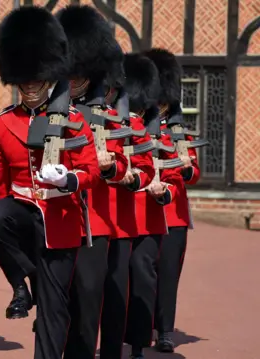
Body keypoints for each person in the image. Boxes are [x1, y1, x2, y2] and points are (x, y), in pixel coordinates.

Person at [0, 6, 100, 359]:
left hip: (59, 219)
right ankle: (23, 282)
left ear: (48, 78)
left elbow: (91, 171)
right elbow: (0, 183)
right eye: (25, 81)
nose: (30, 88)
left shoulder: (74, 121)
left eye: (37, 80)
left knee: (54, 308)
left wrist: (68, 179)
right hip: (21, 216)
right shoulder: (1, 125)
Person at [54, 6, 129, 359]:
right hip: (54, 219)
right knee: (54, 301)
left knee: (87, 295)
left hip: (93, 222)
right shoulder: (47, 113)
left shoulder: (107, 118)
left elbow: (125, 161)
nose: (71, 80)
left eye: (77, 74)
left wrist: (110, 165)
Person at [123, 52, 185, 359]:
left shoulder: (168, 131)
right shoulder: (117, 122)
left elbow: (178, 170)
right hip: (119, 215)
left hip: (153, 212)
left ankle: (156, 333)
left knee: (153, 273)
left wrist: (169, 185)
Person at [98, 53, 159, 359]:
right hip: (83, 219)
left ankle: (123, 347)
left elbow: (147, 167)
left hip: (119, 221)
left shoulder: (132, 124)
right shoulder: (73, 118)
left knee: (117, 294)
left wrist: (131, 178)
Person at [144, 48, 201, 354]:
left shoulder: (180, 133)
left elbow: (193, 172)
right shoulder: (137, 126)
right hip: (141, 211)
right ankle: (139, 325)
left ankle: (164, 329)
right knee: (140, 272)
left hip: (173, 214)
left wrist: (186, 166)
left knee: (168, 273)